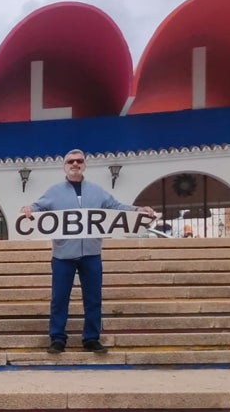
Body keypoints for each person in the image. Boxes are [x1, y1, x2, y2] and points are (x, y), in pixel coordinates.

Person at [20, 148, 156, 355]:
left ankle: (91, 338)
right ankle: (57, 338)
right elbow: (37, 208)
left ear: (84, 164)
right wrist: (27, 210)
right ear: (64, 166)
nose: (75, 164)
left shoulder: (97, 191)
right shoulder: (53, 191)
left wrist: (138, 210)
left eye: (79, 161)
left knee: (93, 298)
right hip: (62, 255)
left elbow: (116, 206)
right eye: (71, 161)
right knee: (59, 298)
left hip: (91, 253)